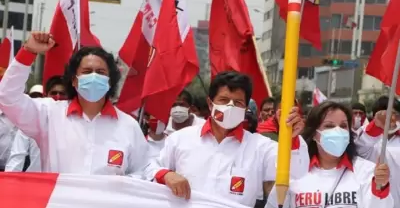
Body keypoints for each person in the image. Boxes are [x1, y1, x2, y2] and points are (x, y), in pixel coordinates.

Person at [144, 71, 309, 207]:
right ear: (210, 104)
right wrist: (166, 175)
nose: (230, 107)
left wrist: (291, 139)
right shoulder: (181, 139)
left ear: (245, 108)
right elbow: (148, 169)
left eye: (237, 103)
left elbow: (296, 175)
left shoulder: (260, 147)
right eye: (223, 100)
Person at [0, 32, 149, 175]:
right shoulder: (49, 115)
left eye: (101, 72)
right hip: (58, 201)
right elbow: (8, 97)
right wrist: (28, 51)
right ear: (74, 80)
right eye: (87, 71)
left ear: (110, 81)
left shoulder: (129, 126)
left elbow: (142, 171)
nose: (94, 76)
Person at [266, 101, 393, 208]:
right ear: (314, 134)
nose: (337, 131)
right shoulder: (295, 172)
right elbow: (274, 204)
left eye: (343, 126)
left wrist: (381, 188)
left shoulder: (366, 172)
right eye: (329, 126)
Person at [5, 76, 66, 172]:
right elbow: (17, 156)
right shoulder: (32, 120)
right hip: (35, 181)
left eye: (62, 93)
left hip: (63, 182)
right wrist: (8, 183)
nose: (58, 96)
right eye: (54, 93)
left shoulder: (77, 122)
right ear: (46, 95)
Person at [355, 96, 400, 206]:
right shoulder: (366, 137)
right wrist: (377, 126)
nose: (391, 119)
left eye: (395, 115)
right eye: (386, 115)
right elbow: (359, 146)